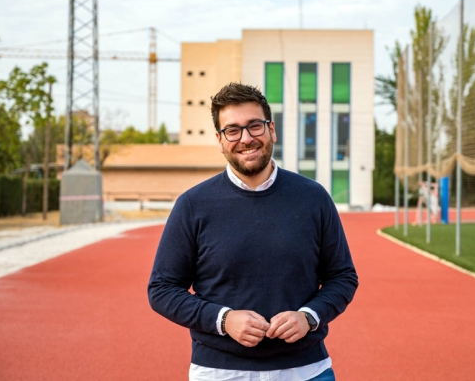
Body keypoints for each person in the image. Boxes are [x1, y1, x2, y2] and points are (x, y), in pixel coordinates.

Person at [147, 82, 358, 381]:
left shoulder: (313, 198)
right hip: (219, 372)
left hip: (307, 370)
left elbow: (343, 277)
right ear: (220, 140)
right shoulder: (192, 205)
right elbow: (162, 289)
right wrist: (223, 320)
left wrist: (309, 317)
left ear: (272, 130)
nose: (246, 138)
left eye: (254, 126)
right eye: (232, 130)